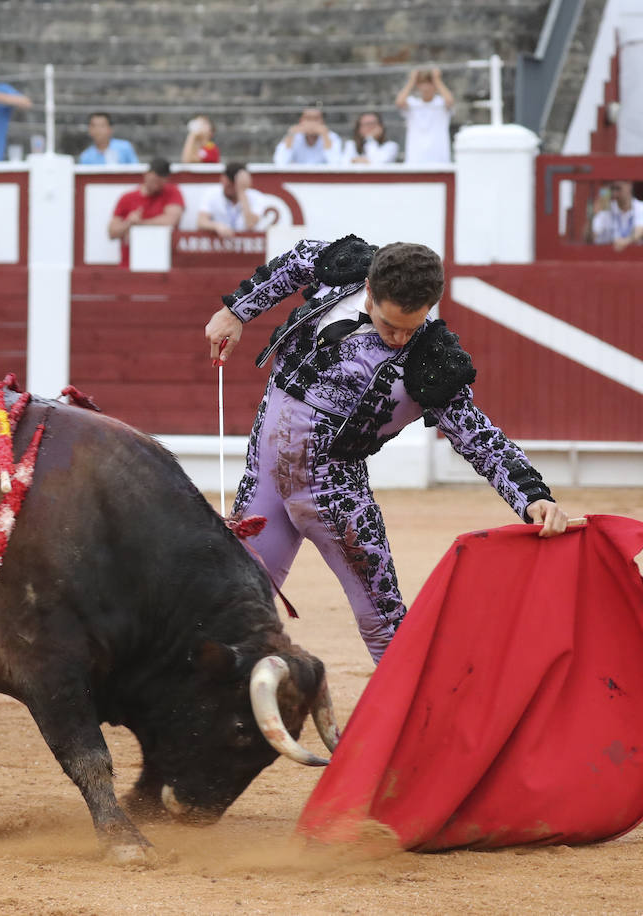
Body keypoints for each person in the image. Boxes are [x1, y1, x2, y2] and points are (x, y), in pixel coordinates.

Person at [203, 236, 568, 662]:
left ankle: (417, 727)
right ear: (371, 292)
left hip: (335, 496)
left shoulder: (429, 356)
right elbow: (295, 261)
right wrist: (235, 312)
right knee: (230, 608)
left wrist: (532, 496)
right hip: (264, 475)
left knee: (385, 626)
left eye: (411, 327)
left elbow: (478, 436)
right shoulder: (345, 267)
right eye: (390, 324)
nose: (398, 339)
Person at [107, 157, 185, 266]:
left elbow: (171, 220)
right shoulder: (127, 198)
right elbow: (112, 232)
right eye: (154, 180)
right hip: (130, 264)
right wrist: (128, 223)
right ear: (146, 174)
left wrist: (138, 224)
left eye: (160, 182)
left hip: (163, 264)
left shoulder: (171, 192)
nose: (156, 185)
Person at [395, 67, 455, 165]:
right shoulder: (412, 103)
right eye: (422, 83)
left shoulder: (441, 102)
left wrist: (437, 80)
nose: (426, 87)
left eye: (429, 83)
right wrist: (412, 81)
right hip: (415, 159)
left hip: (439, 159)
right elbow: (399, 102)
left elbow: (450, 101)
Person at [197, 162, 271, 237]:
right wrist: (217, 226)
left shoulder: (256, 197)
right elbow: (201, 221)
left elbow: (250, 224)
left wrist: (242, 192)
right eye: (226, 185)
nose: (227, 189)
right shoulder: (212, 193)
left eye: (231, 186)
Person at [588, 180, 643, 251]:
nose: (614, 193)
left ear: (629, 186)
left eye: (618, 188)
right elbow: (591, 238)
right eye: (612, 189)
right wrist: (592, 216)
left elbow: (641, 231)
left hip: (634, 255)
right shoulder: (605, 210)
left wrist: (625, 241)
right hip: (607, 255)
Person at [272, 108, 344, 166]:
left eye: (316, 119)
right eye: (308, 119)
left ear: (322, 121)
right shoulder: (293, 136)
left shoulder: (332, 137)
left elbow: (336, 164)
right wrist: (290, 136)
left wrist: (325, 137)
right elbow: (279, 162)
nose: (312, 123)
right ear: (301, 121)